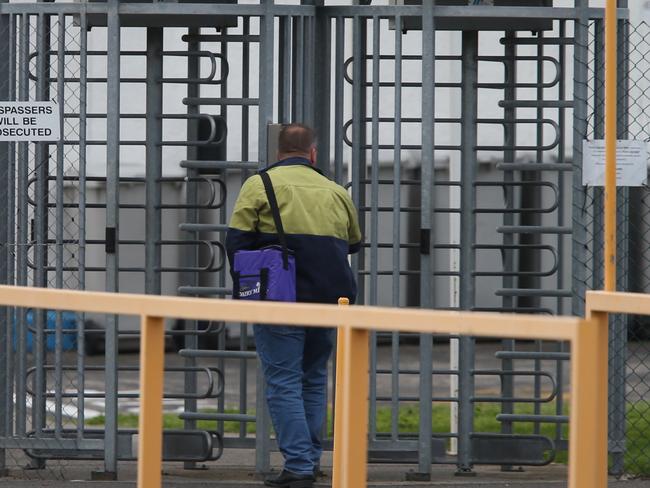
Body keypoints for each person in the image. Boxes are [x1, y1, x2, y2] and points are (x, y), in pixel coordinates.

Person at [226, 123, 362, 488]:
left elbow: (236, 241)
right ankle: (311, 460)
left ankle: (300, 466)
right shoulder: (336, 191)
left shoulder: (260, 185)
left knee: (283, 380)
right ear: (313, 153)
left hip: (278, 295)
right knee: (314, 378)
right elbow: (352, 243)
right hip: (330, 298)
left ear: (278, 152)